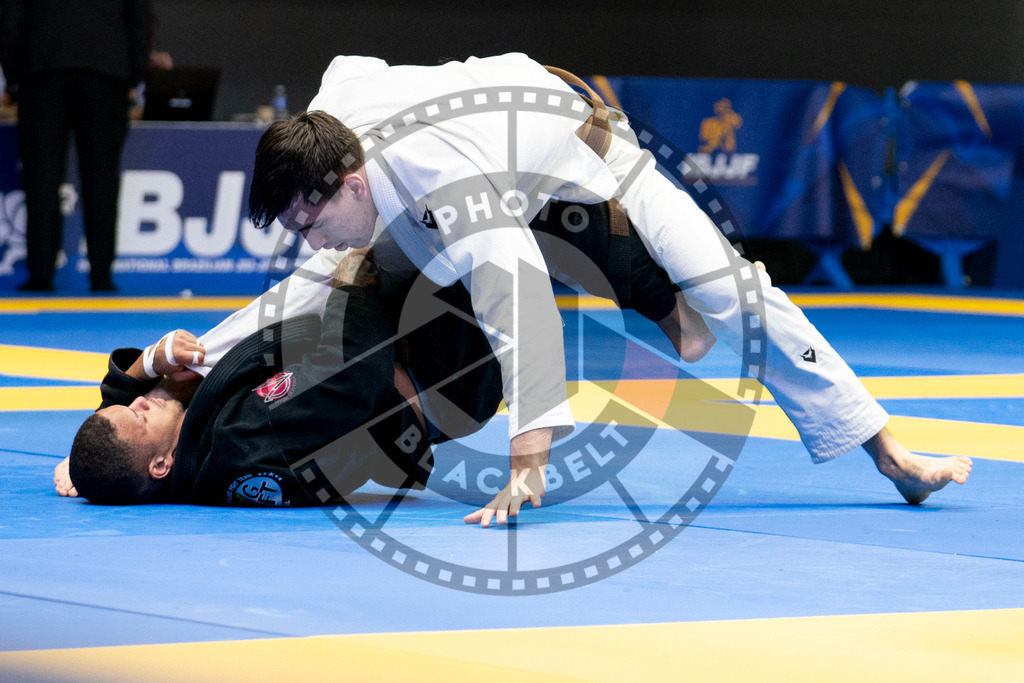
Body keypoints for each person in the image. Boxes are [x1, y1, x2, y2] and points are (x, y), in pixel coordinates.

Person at [59, 249, 506, 505]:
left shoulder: (182, 455)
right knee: (442, 218)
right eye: (138, 416)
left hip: (407, 344)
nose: (141, 402)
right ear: (160, 466)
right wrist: (353, 286)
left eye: (130, 403)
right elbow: (353, 373)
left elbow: (125, 426)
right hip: (449, 368)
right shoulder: (244, 438)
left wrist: (148, 365)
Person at [0, 0, 152, 292]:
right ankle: (101, 276)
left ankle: (41, 276)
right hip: (106, 72)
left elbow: (11, 19)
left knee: (42, 179)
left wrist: (16, 76)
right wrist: (134, 74)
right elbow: (140, 18)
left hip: (43, 69)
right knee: (103, 179)